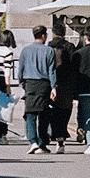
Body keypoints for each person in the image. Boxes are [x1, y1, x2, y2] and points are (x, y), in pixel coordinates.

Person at [16, 26, 57, 156]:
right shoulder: (49, 51)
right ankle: (42, 142)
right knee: (44, 114)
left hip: (30, 83)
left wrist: (21, 82)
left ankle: (32, 141)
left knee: (30, 114)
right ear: (44, 36)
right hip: (44, 84)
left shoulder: (25, 50)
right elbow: (52, 70)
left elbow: (20, 69)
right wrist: (53, 87)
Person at [46, 34, 77, 153]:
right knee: (64, 113)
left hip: (52, 86)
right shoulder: (70, 49)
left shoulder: (48, 48)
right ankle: (61, 139)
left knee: (52, 112)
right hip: (67, 87)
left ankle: (50, 135)